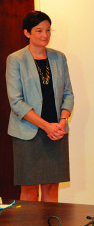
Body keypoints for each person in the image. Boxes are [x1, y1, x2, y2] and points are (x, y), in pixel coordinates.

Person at [6, 11, 74, 202]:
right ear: (27, 33)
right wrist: (46, 126)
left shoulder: (59, 58)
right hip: (28, 134)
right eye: (39, 31)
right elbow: (16, 102)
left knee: (52, 186)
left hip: (57, 132)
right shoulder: (16, 59)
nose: (45, 35)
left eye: (48, 30)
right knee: (29, 188)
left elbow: (68, 94)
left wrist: (61, 122)